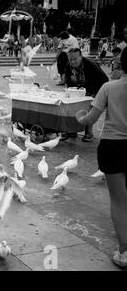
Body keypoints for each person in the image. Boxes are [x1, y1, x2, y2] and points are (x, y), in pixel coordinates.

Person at [75, 47, 127, 269]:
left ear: (121, 64)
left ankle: (124, 251)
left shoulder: (109, 87)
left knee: (119, 200)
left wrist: (79, 117)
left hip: (113, 146)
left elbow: (90, 119)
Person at [64, 47, 109, 142]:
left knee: (89, 108)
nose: (72, 62)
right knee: (73, 106)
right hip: (78, 91)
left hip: (95, 91)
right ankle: (73, 130)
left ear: (81, 57)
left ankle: (89, 133)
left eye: (75, 59)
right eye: (70, 59)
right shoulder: (69, 66)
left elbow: (105, 80)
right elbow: (68, 81)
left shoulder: (91, 65)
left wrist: (92, 92)